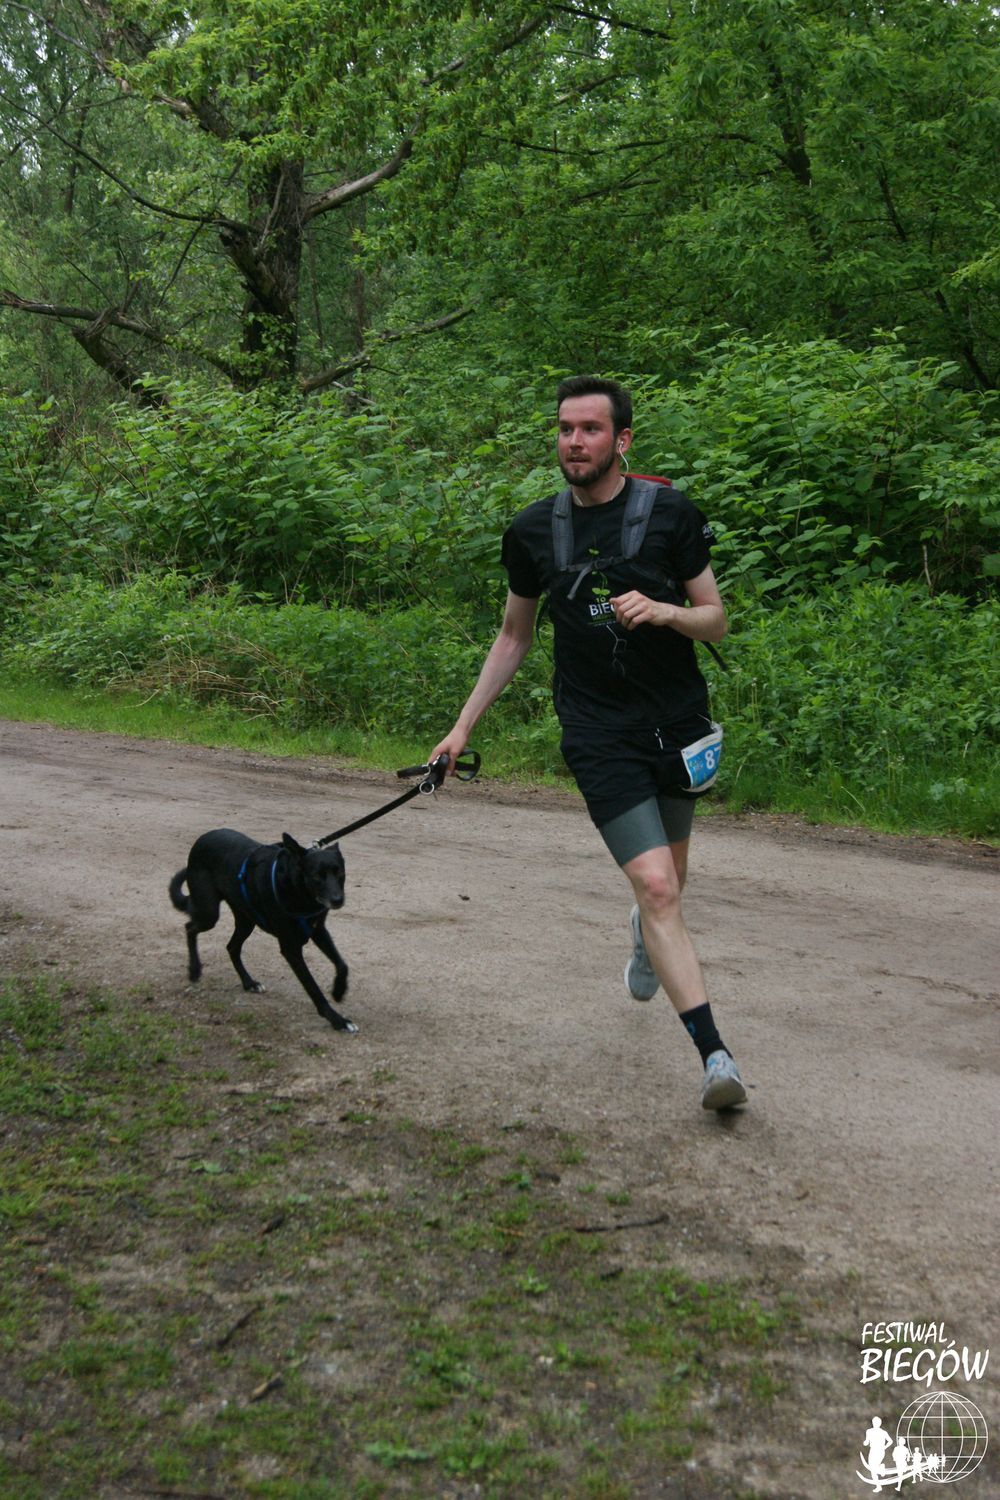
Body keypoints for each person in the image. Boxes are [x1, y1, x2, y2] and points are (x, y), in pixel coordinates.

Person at [429, 375, 746, 1112]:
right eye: (566, 429)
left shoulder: (670, 514)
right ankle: (716, 1058)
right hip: (597, 732)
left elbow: (716, 618)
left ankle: (645, 932)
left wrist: (666, 612)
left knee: (667, 885)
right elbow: (514, 636)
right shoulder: (533, 531)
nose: (575, 441)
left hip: (677, 725)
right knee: (659, 885)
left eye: (591, 429)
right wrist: (462, 726)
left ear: (622, 440)